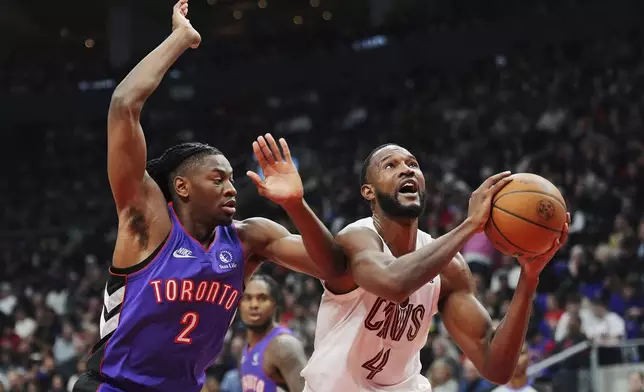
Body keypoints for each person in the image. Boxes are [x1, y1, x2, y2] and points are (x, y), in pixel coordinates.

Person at [73, 2, 343, 391]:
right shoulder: (146, 221)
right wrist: (180, 39)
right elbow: (123, 106)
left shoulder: (249, 238)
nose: (231, 187)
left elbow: (333, 268)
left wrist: (295, 205)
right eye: (217, 179)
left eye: (232, 179)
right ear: (182, 187)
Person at [301, 144, 569, 391]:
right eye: (390, 165)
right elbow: (395, 284)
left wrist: (529, 277)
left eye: (413, 164)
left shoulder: (450, 268)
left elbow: (496, 368)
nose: (406, 169)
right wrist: (469, 226)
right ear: (368, 190)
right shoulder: (357, 239)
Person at [239, 275, 307, 392]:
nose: (254, 305)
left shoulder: (284, 345)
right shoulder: (246, 348)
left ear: (275, 304)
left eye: (262, 298)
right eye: (247, 298)